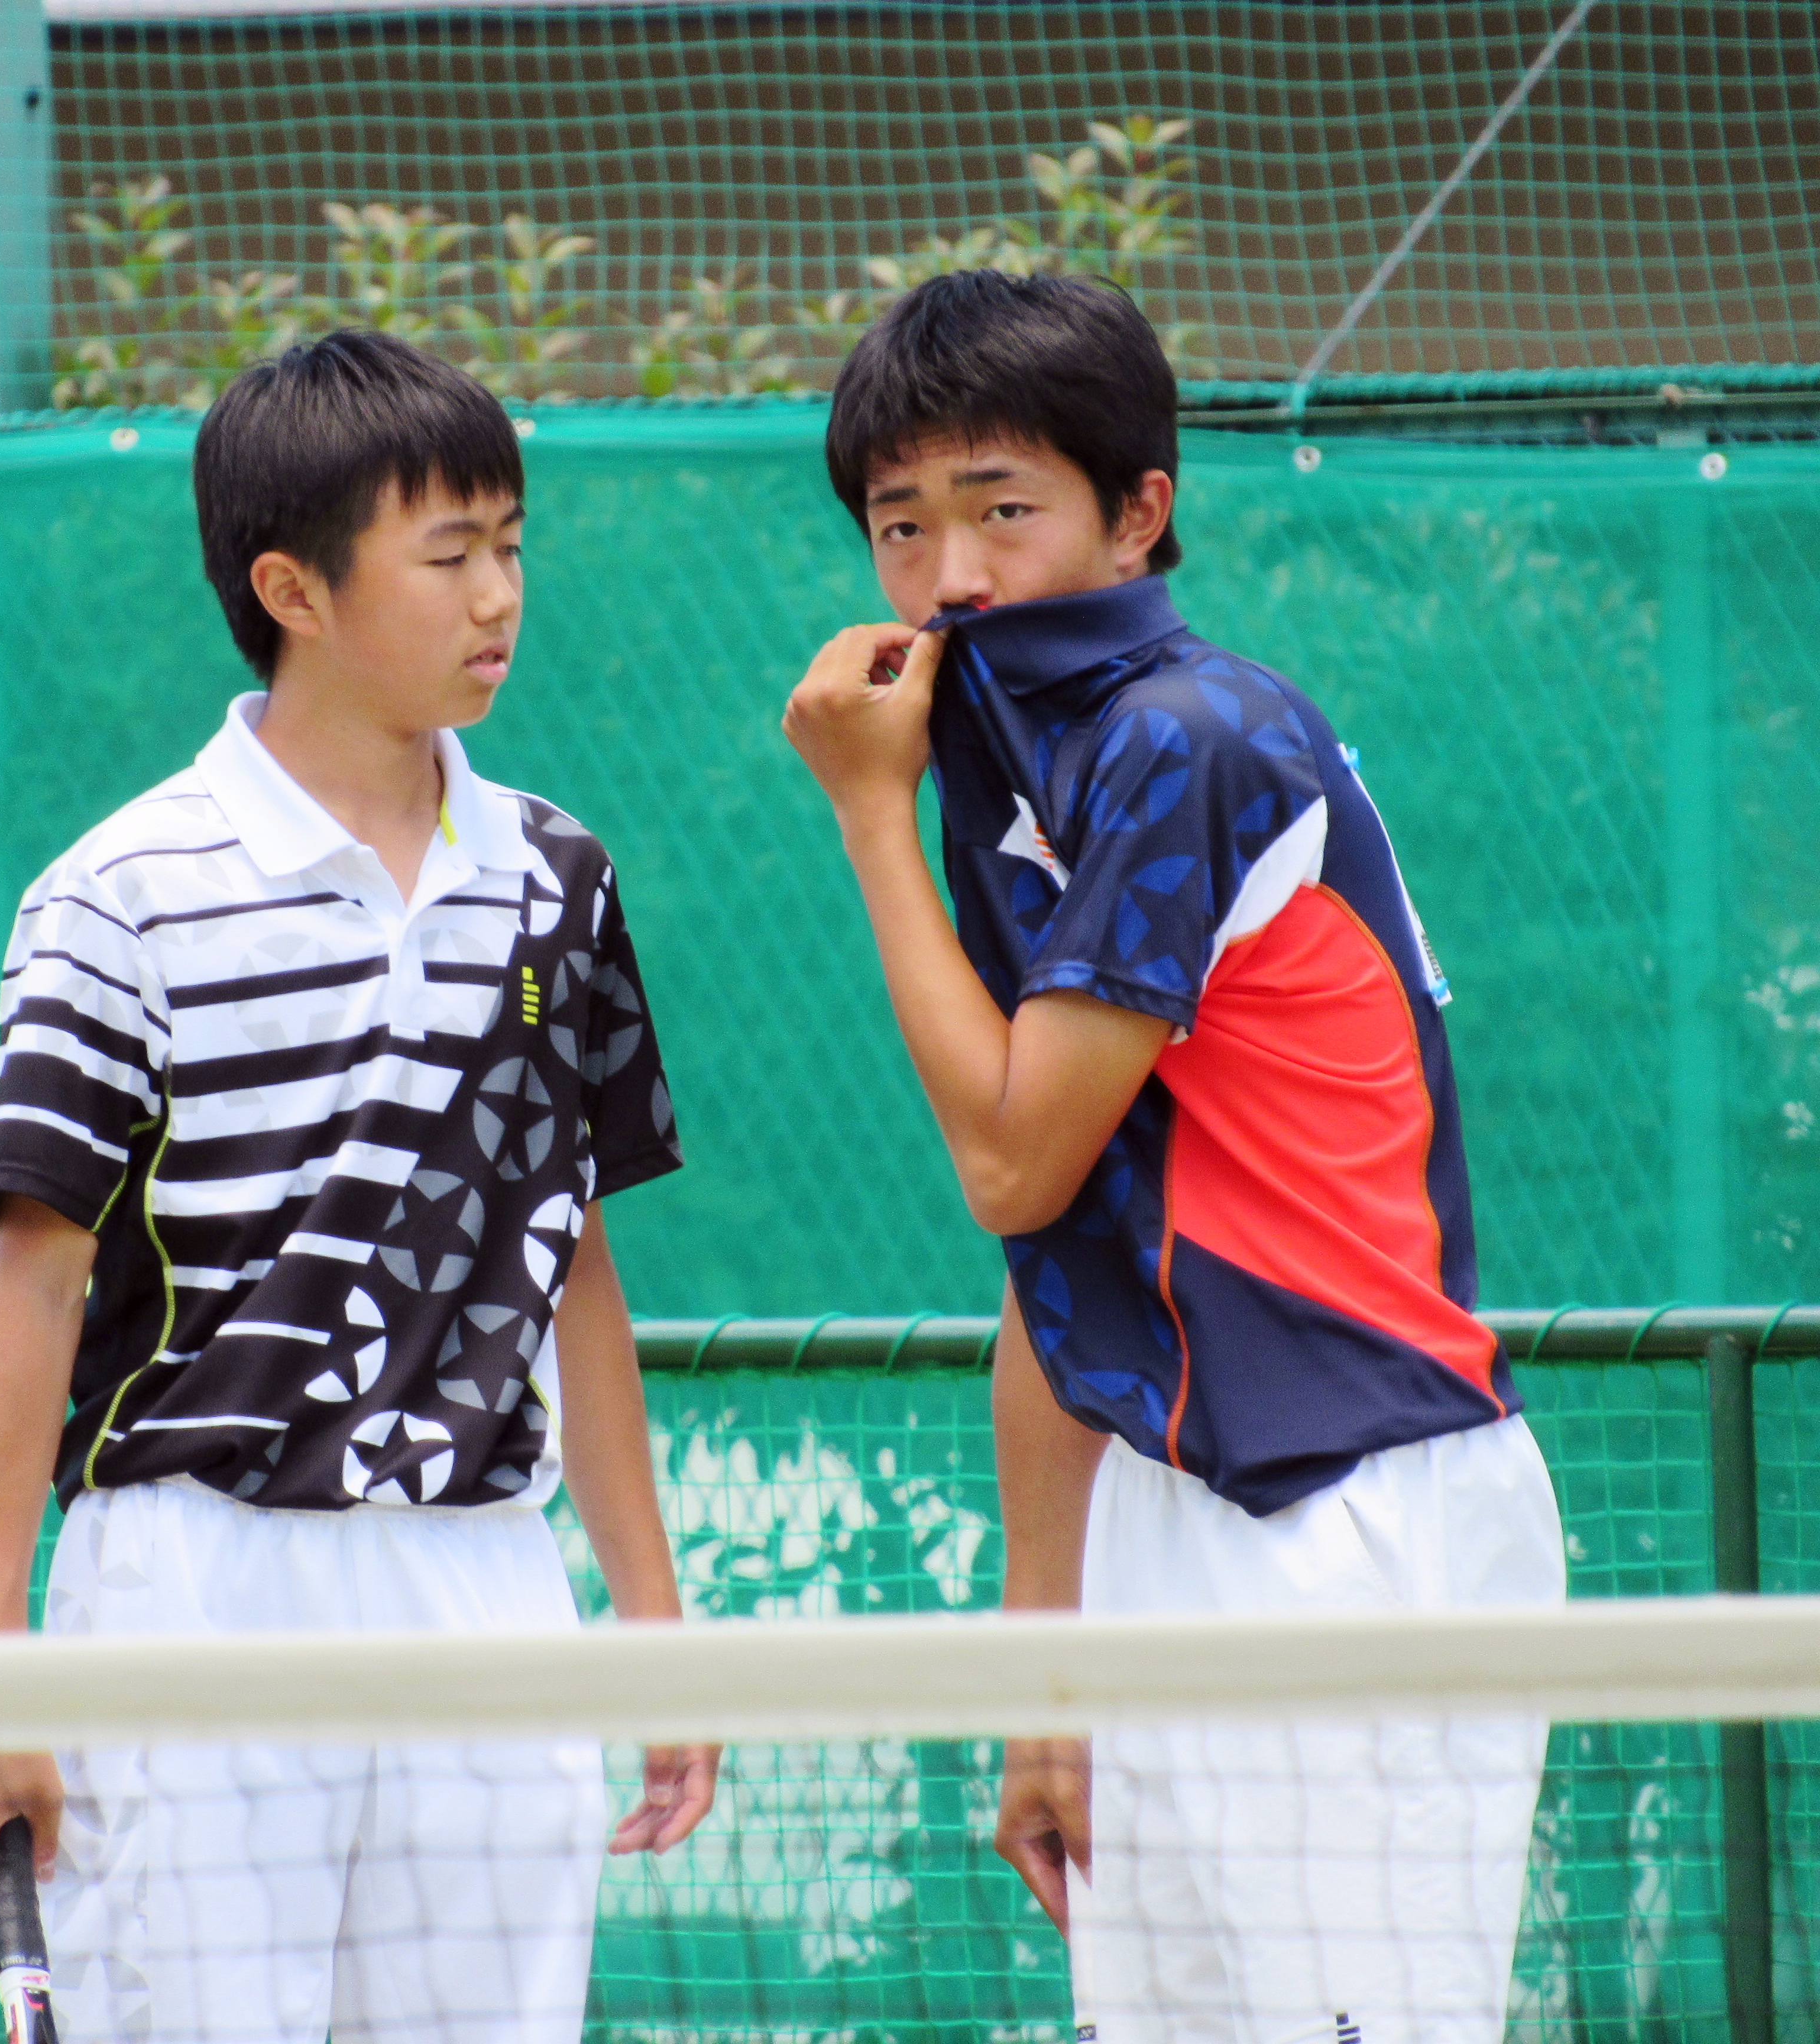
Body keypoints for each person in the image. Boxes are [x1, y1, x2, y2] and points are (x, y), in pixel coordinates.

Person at [779, 270, 1566, 2043]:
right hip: (1169, 1505)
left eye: (1002, 510)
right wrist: (1044, 1686)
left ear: (1141, 512)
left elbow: (1010, 1166)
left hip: (1353, 1506)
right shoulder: (1010, 751)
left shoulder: (1183, 738)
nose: (951, 578)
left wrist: (865, 819)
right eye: (901, 528)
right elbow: (1058, 1267)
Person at [0, 327, 718, 2044]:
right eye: (451, 556)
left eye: (511, 543)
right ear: (291, 586)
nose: (500, 594)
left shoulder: (560, 881)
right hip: (198, 1588)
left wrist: (656, 1632)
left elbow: (573, 1269)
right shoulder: (115, 898)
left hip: (492, 1586)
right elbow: (31, 1296)